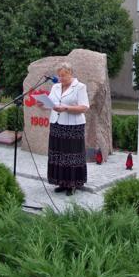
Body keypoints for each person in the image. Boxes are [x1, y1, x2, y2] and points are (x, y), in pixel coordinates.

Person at [46, 63, 89, 196]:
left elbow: (84, 107)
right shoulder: (55, 86)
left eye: (63, 75)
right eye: (59, 76)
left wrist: (66, 108)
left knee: (71, 155)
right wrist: (44, 103)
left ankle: (72, 184)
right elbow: (51, 102)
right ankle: (61, 182)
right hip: (57, 123)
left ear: (70, 73)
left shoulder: (80, 87)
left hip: (73, 126)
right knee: (58, 154)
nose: (61, 78)